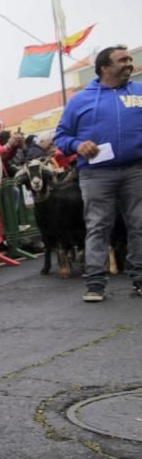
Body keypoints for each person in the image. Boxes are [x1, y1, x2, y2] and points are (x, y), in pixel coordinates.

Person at [53, 45, 142, 302]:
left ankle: (140, 278)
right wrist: (77, 145)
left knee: (139, 224)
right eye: (122, 60)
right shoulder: (80, 99)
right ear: (104, 67)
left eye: (129, 59)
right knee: (98, 226)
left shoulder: (138, 91)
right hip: (96, 174)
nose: (129, 63)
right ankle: (95, 284)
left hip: (136, 170)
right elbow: (62, 136)